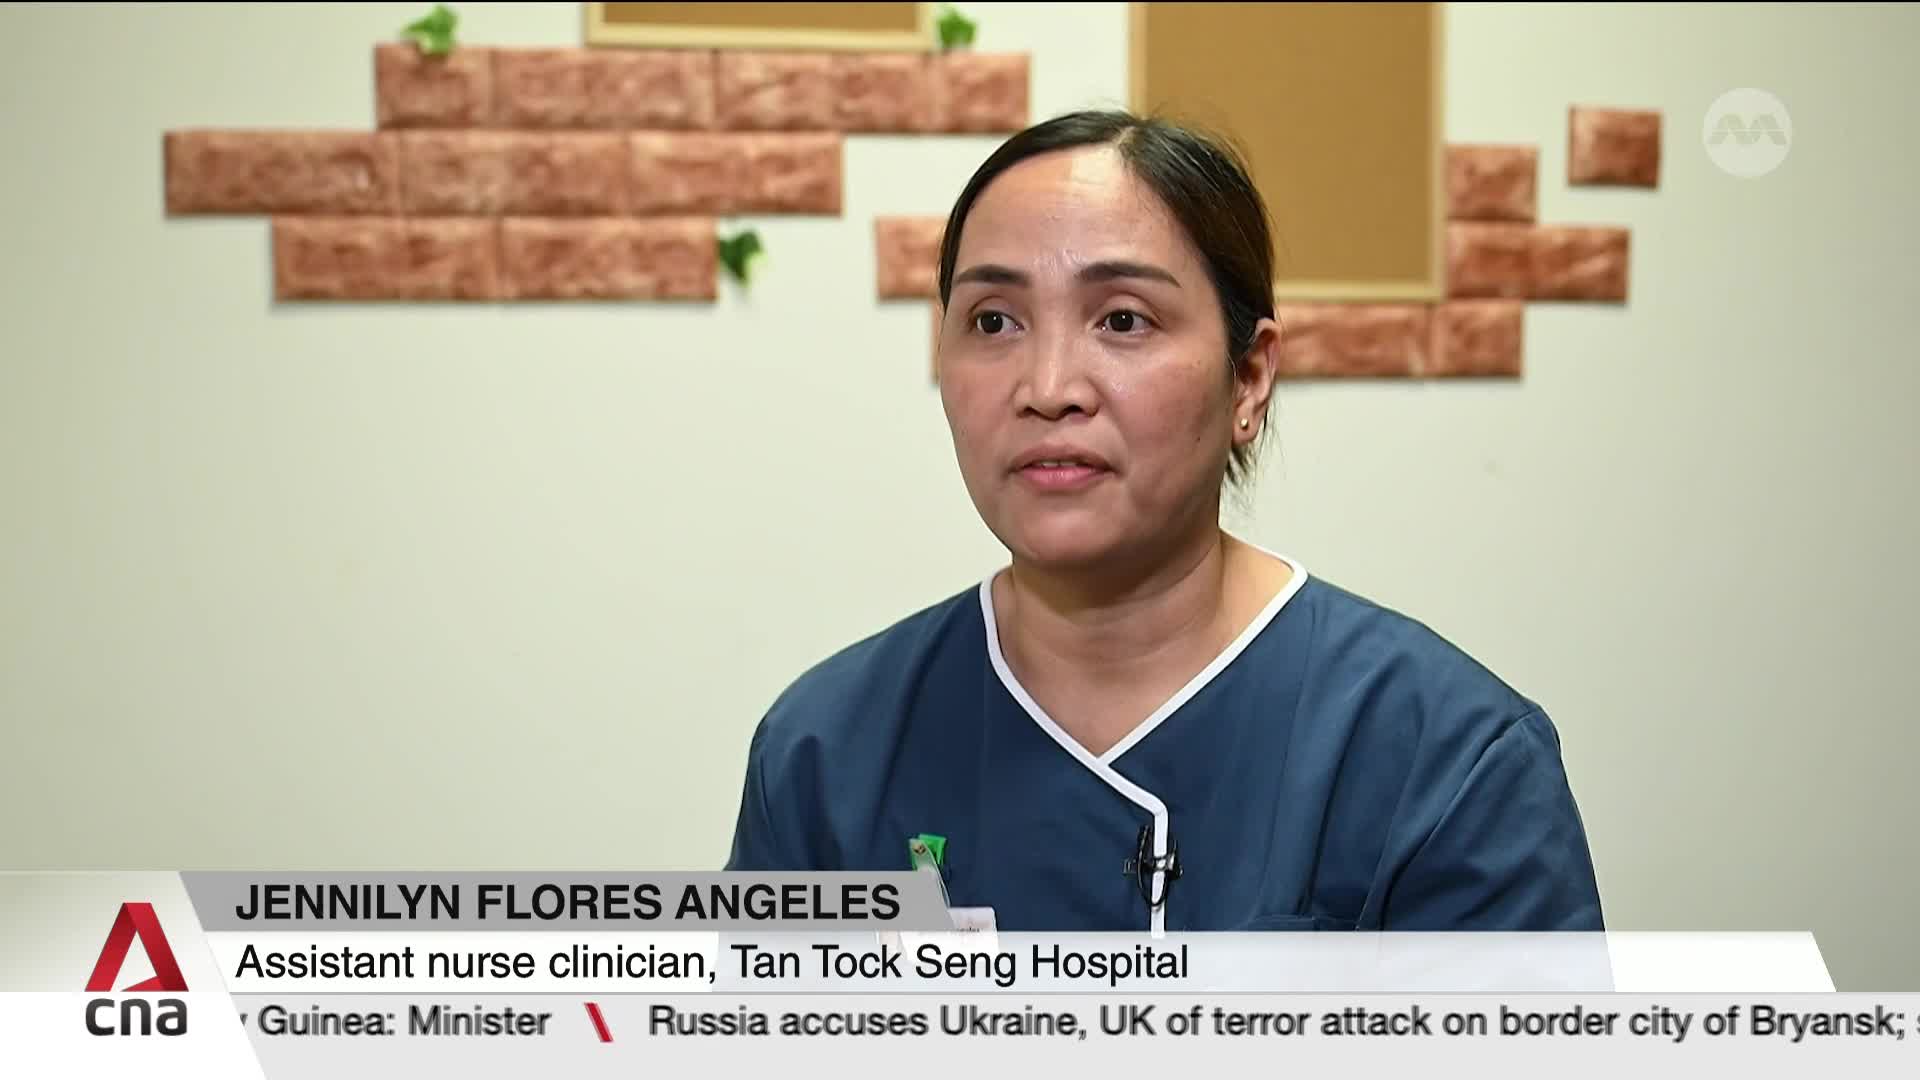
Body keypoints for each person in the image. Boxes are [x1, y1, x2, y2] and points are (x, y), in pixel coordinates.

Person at [724, 109, 1604, 934]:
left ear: (1249, 378)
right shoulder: (826, 753)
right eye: (993, 321)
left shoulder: (1444, 761)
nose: (1048, 388)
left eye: (1122, 320)